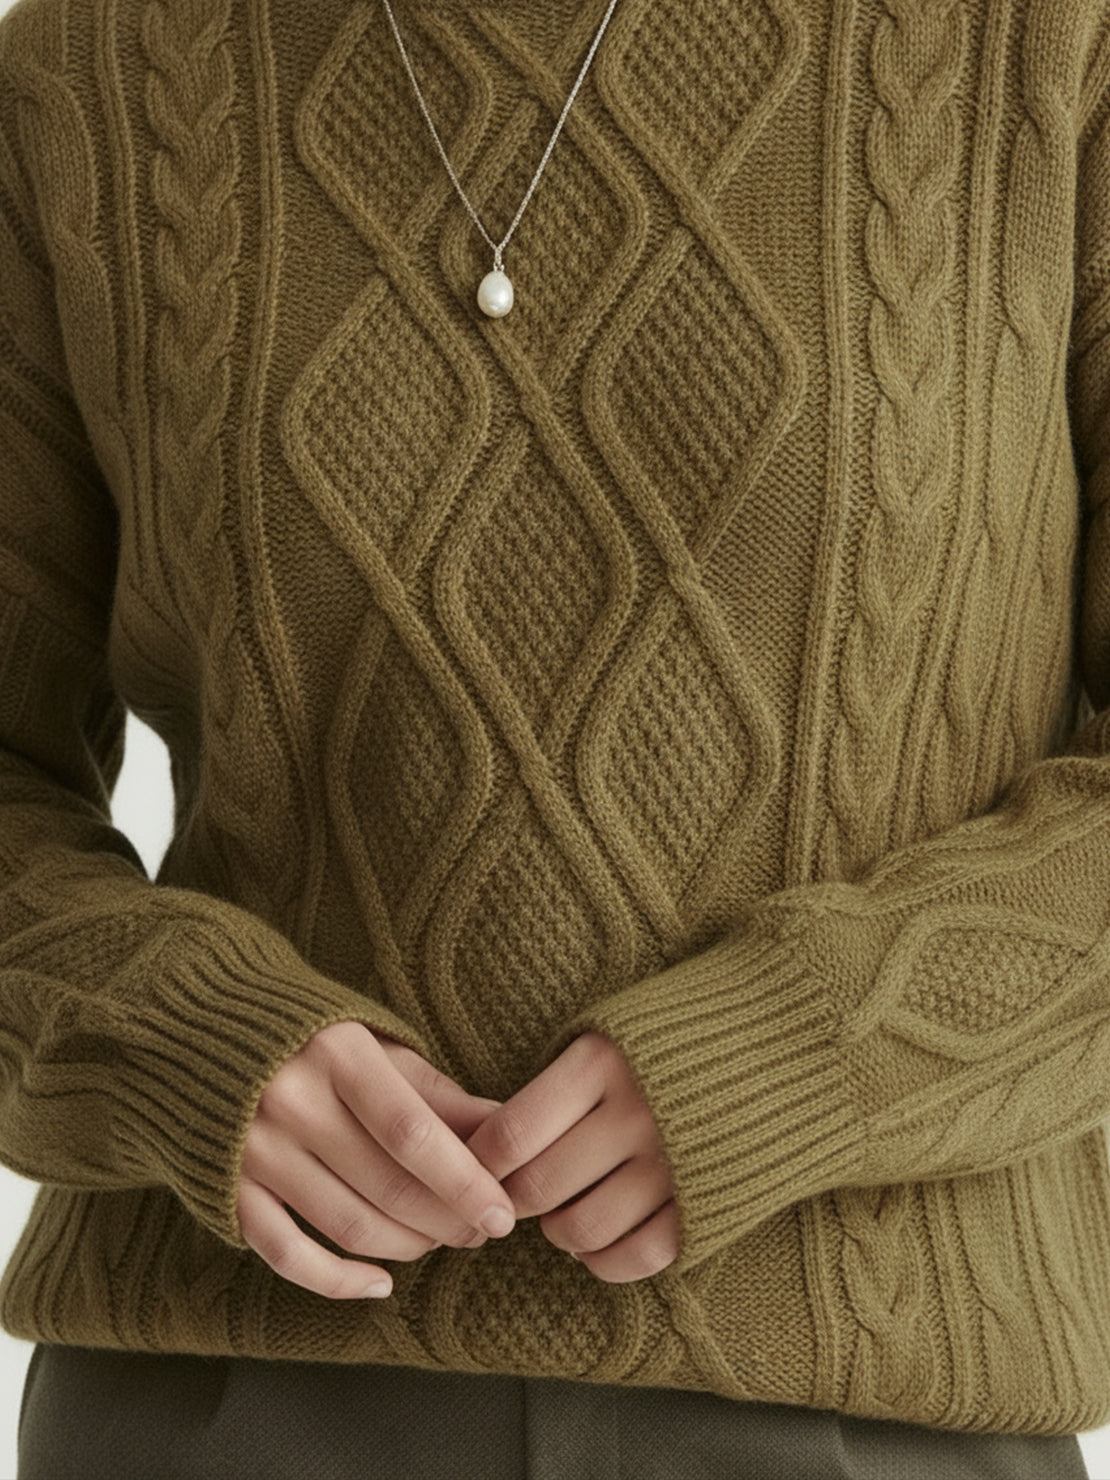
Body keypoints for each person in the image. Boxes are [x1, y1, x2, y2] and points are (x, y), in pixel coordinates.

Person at [0, 0, 1105, 1474]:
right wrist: (167, 1033)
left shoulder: (1040, 47)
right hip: (225, 1394)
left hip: (868, 1399)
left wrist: (818, 1045)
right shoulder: (94, 69)